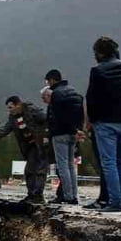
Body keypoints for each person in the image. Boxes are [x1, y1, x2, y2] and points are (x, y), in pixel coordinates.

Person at [85, 36, 121, 214]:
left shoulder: (98, 71)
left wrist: (92, 121)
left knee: (108, 163)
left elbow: (92, 98)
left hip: (105, 122)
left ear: (98, 53)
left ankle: (115, 201)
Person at [0, 95, 50, 203]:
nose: (9, 110)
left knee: (38, 170)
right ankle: (32, 194)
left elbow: (46, 120)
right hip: (28, 146)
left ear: (18, 105)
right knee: (29, 170)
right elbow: (4, 130)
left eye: (11, 107)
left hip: (39, 144)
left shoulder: (32, 111)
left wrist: (46, 136)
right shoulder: (13, 118)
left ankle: (37, 195)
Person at [44, 69, 84, 205]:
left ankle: (68, 196)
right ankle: (74, 194)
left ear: (52, 80)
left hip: (60, 132)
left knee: (63, 166)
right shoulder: (74, 92)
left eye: (48, 81)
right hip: (73, 132)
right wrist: (78, 129)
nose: (48, 84)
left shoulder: (56, 94)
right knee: (71, 165)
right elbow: (80, 112)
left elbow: (56, 115)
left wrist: (51, 130)